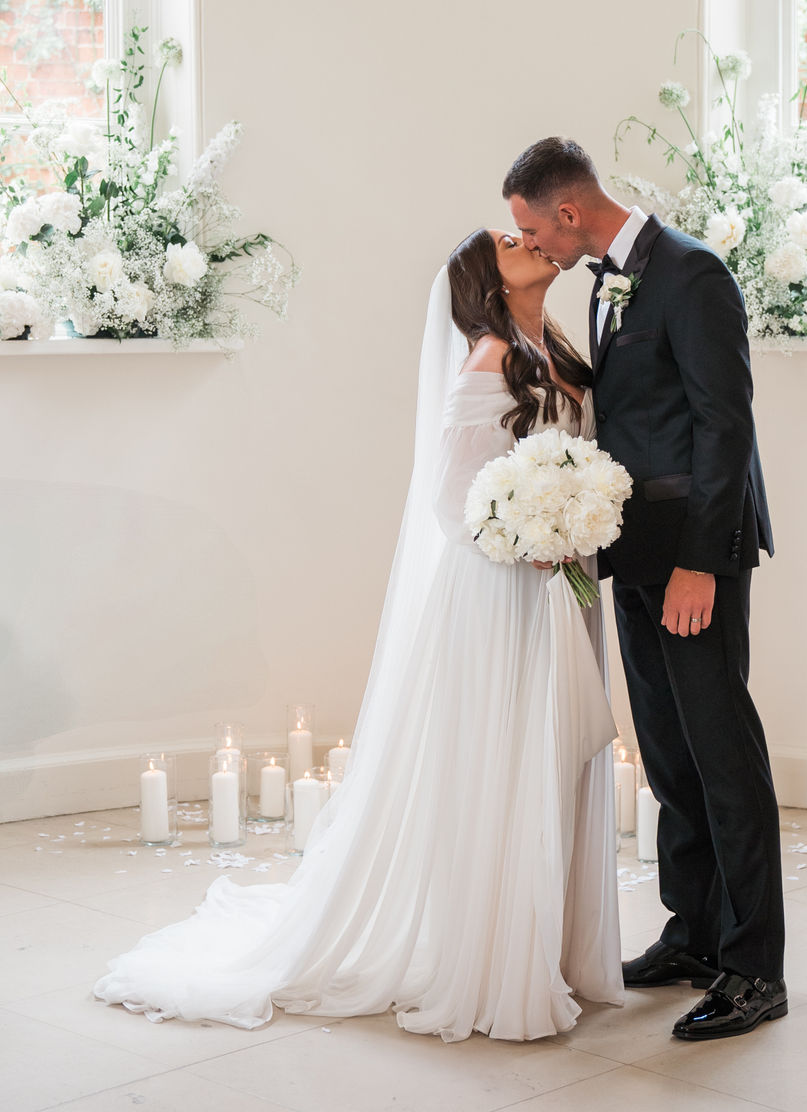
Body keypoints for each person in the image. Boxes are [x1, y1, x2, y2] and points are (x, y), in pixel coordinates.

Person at [93, 229, 624, 1042]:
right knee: (502, 762)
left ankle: (549, 945)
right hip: (503, 594)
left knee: (552, 760)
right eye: (510, 239)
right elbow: (454, 504)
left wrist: (573, 527)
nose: (529, 241)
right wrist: (535, 534)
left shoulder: (552, 344)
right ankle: (490, 963)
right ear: (487, 280)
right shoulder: (487, 361)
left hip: (558, 585)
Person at [503, 137, 786, 1043]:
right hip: (633, 554)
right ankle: (695, 934)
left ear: (570, 213)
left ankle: (754, 968)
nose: (534, 243)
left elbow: (725, 424)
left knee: (723, 756)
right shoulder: (605, 280)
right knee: (667, 757)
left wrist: (703, 561)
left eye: (532, 227)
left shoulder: (694, 274)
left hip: (695, 562)